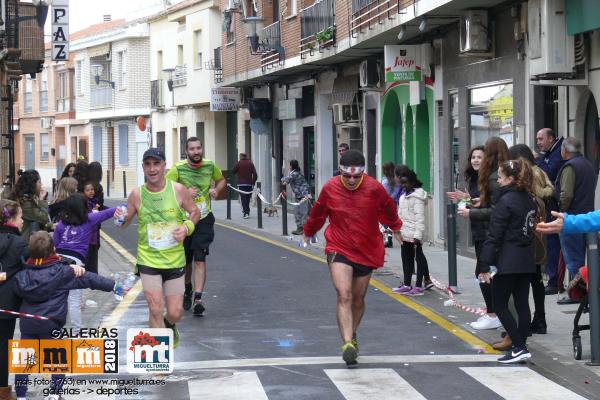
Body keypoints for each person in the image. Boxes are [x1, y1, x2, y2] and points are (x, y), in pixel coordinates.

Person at [303, 150, 402, 367]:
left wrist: (396, 227)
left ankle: (352, 333)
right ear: (340, 171)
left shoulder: (374, 188)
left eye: (356, 177)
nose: (351, 180)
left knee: (358, 299)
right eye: (347, 175)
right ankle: (347, 343)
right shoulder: (330, 187)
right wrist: (309, 230)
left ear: (362, 174)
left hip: (367, 249)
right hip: (338, 246)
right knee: (344, 294)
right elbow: (318, 212)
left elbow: (388, 208)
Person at [13, 231, 118, 400]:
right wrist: (113, 286)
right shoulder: (63, 273)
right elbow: (89, 279)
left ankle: (21, 396)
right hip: (51, 323)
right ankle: (55, 394)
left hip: (28, 324)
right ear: (54, 249)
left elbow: (15, 290)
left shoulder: (22, 275)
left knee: (24, 361)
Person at [117, 148, 199, 347]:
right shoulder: (137, 194)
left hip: (174, 260)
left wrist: (187, 228)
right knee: (155, 308)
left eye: (156, 164)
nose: (152, 169)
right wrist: (120, 218)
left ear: (164, 166)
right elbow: (124, 222)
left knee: (175, 312)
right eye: (148, 164)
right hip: (148, 259)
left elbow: (195, 212)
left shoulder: (178, 190)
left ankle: (170, 325)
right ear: (143, 167)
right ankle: (159, 360)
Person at [480, 159, 537, 364]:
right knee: (522, 303)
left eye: (501, 177)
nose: (499, 181)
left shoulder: (506, 201)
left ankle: (519, 346)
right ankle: (521, 346)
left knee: (500, 304)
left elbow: (494, 235)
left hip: (507, 260)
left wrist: (484, 264)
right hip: (525, 259)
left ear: (511, 179)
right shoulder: (529, 199)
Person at [166, 138, 226, 316]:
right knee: (186, 262)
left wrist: (217, 190)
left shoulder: (209, 165)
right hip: (183, 221)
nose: (196, 151)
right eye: (192, 149)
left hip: (204, 218)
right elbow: (166, 189)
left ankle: (198, 298)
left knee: (200, 258)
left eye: (199, 148)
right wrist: (184, 192)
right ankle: (187, 289)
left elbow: (222, 180)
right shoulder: (178, 168)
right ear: (186, 152)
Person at [457, 137, 509, 330]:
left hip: (490, 233)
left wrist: (472, 210)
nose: (477, 159)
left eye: (482, 154)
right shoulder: (485, 176)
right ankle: (493, 312)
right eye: (474, 157)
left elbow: (497, 209)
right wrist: (472, 200)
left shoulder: (493, 178)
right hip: (484, 232)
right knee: (485, 272)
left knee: (484, 272)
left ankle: (494, 314)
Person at [53, 193, 117, 335]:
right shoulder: (89, 219)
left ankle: (56, 330)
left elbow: (55, 244)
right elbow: (111, 212)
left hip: (58, 260)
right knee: (74, 299)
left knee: (59, 297)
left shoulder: (61, 224)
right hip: (75, 262)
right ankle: (76, 332)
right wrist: (129, 206)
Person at [508, 144, 554, 340]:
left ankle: (531, 321)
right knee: (536, 279)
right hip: (539, 230)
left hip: (530, 232)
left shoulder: (528, 174)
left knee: (527, 281)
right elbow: (550, 190)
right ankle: (539, 319)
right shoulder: (541, 171)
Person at [555, 137, 596, 304]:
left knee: (574, 259)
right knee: (584, 258)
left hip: (572, 219)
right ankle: (584, 294)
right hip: (587, 217)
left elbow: (566, 195)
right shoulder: (587, 164)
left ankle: (577, 295)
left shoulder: (570, 166)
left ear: (564, 150)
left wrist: (561, 212)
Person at [0, 200, 28, 400]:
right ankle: (3, 391)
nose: (23, 220)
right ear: (10, 219)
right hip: (6, 305)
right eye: (20, 217)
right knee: (3, 347)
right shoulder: (19, 244)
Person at [393, 169, 432, 296]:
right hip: (404, 234)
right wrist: (397, 230)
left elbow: (420, 218)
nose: (403, 186)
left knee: (419, 260)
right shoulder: (403, 196)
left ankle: (419, 286)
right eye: (402, 183)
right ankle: (407, 284)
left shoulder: (418, 197)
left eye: (406, 183)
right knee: (406, 260)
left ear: (413, 182)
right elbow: (400, 216)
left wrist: (417, 236)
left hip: (414, 235)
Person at [535, 128, 564, 295]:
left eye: (541, 139)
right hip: (551, 207)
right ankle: (554, 280)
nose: (538, 142)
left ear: (551, 139)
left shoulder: (557, 154)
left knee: (555, 245)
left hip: (556, 208)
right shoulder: (547, 155)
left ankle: (554, 281)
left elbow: (545, 172)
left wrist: (539, 162)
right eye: (537, 139)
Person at [13, 170, 53, 242]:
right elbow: (43, 219)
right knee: (35, 224)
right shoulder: (25, 202)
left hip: (23, 237)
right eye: (39, 182)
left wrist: (51, 225)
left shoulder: (26, 198)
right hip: (24, 242)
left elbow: (37, 218)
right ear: (32, 184)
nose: (41, 185)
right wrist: (42, 200)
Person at [281, 160, 312, 235]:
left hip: (303, 195)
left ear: (291, 166)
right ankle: (300, 228)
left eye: (290, 165)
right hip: (300, 195)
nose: (289, 166)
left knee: (303, 212)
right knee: (297, 212)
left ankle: (304, 229)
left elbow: (285, 181)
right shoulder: (297, 172)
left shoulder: (294, 174)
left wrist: (282, 179)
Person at [232, 153, 257, 219]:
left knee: (243, 198)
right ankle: (247, 211)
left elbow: (233, 171)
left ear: (241, 157)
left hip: (241, 184)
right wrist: (253, 182)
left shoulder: (239, 163)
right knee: (248, 198)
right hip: (249, 184)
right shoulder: (250, 163)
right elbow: (255, 174)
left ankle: (246, 213)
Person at [381, 162, 400, 248]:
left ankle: (389, 240)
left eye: (385, 169)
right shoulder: (384, 178)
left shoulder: (394, 179)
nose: (384, 171)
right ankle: (387, 239)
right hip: (383, 202)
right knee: (384, 221)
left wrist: (389, 199)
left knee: (387, 221)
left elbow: (396, 191)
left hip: (390, 202)